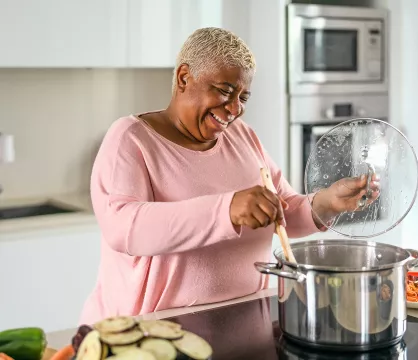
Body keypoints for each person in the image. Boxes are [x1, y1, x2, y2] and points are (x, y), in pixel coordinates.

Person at [79, 27, 379, 325]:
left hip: (245, 321)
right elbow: (125, 228)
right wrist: (226, 209)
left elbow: (281, 211)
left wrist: (325, 203)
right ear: (184, 78)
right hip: (151, 333)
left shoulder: (242, 137)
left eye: (243, 97)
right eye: (224, 91)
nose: (235, 109)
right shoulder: (132, 139)